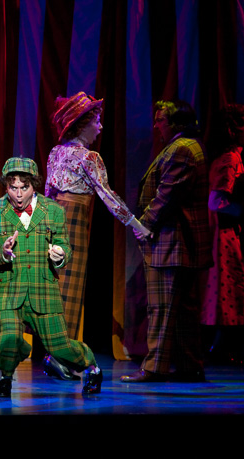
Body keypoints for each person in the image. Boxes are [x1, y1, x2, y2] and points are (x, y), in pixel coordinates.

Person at [0, 157, 103, 397]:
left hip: (43, 289)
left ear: (34, 185)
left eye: (24, 187)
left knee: (60, 347)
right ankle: (6, 379)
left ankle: (92, 367)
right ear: (6, 186)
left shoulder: (53, 211)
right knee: (7, 338)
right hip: (9, 289)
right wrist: (2, 252)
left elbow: (65, 247)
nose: (18, 195)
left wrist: (59, 255)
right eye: (12, 188)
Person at [46, 92, 150, 341]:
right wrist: (138, 225)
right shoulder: (89, 157)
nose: (100, 127)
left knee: (56, 284)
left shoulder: (55, 152)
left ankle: (54, 348)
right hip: (72, 223)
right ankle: (63, 350)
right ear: (82, 125)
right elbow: (108, 196)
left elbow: (48, 194)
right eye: (96, 122)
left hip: (53, 221)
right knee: (69, 286)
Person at [121, 100, 212, 383]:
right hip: (178, 242)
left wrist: (143, 225)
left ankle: (155, 367)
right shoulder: (186, 146)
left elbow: (167, 195)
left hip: (172, 242)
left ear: (175, 123)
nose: (156, 125)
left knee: (161, 307)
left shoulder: (182, 148)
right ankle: (189, 366)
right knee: (183, 310)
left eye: (160, 119)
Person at [201, 104, 244, 362]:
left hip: (227, 232)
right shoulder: (230, 159)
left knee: (232, 288)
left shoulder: (234, 157)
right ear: (236, 129)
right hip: (223, 235)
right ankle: (219, 348)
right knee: (230, 289)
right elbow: (215, 202)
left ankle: (221, 347)